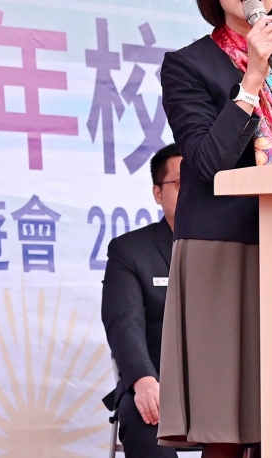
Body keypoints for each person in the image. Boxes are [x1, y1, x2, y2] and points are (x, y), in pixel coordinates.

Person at [157, 0, 272, 458]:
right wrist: (251, 76)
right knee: (226, 421)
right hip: (223, 249)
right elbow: (207, 164)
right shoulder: (188, 66)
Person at [101, 144, 182, 458]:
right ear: (158, 193)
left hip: (223, 389)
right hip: (155, 383)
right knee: (142, 418)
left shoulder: (234, 248)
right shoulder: (130, 251)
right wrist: (143, 380)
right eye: (181, 183)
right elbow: (124, 322)